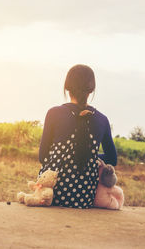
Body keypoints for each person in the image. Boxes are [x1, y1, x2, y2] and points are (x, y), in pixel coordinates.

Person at [38, 64, 117, 208]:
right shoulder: (102, 119)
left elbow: (43, 157)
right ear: (91, 89)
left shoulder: (54, 113)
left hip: (51, 193)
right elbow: (112, 159)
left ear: (67, 87)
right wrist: (90, 155)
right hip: (83, 198)